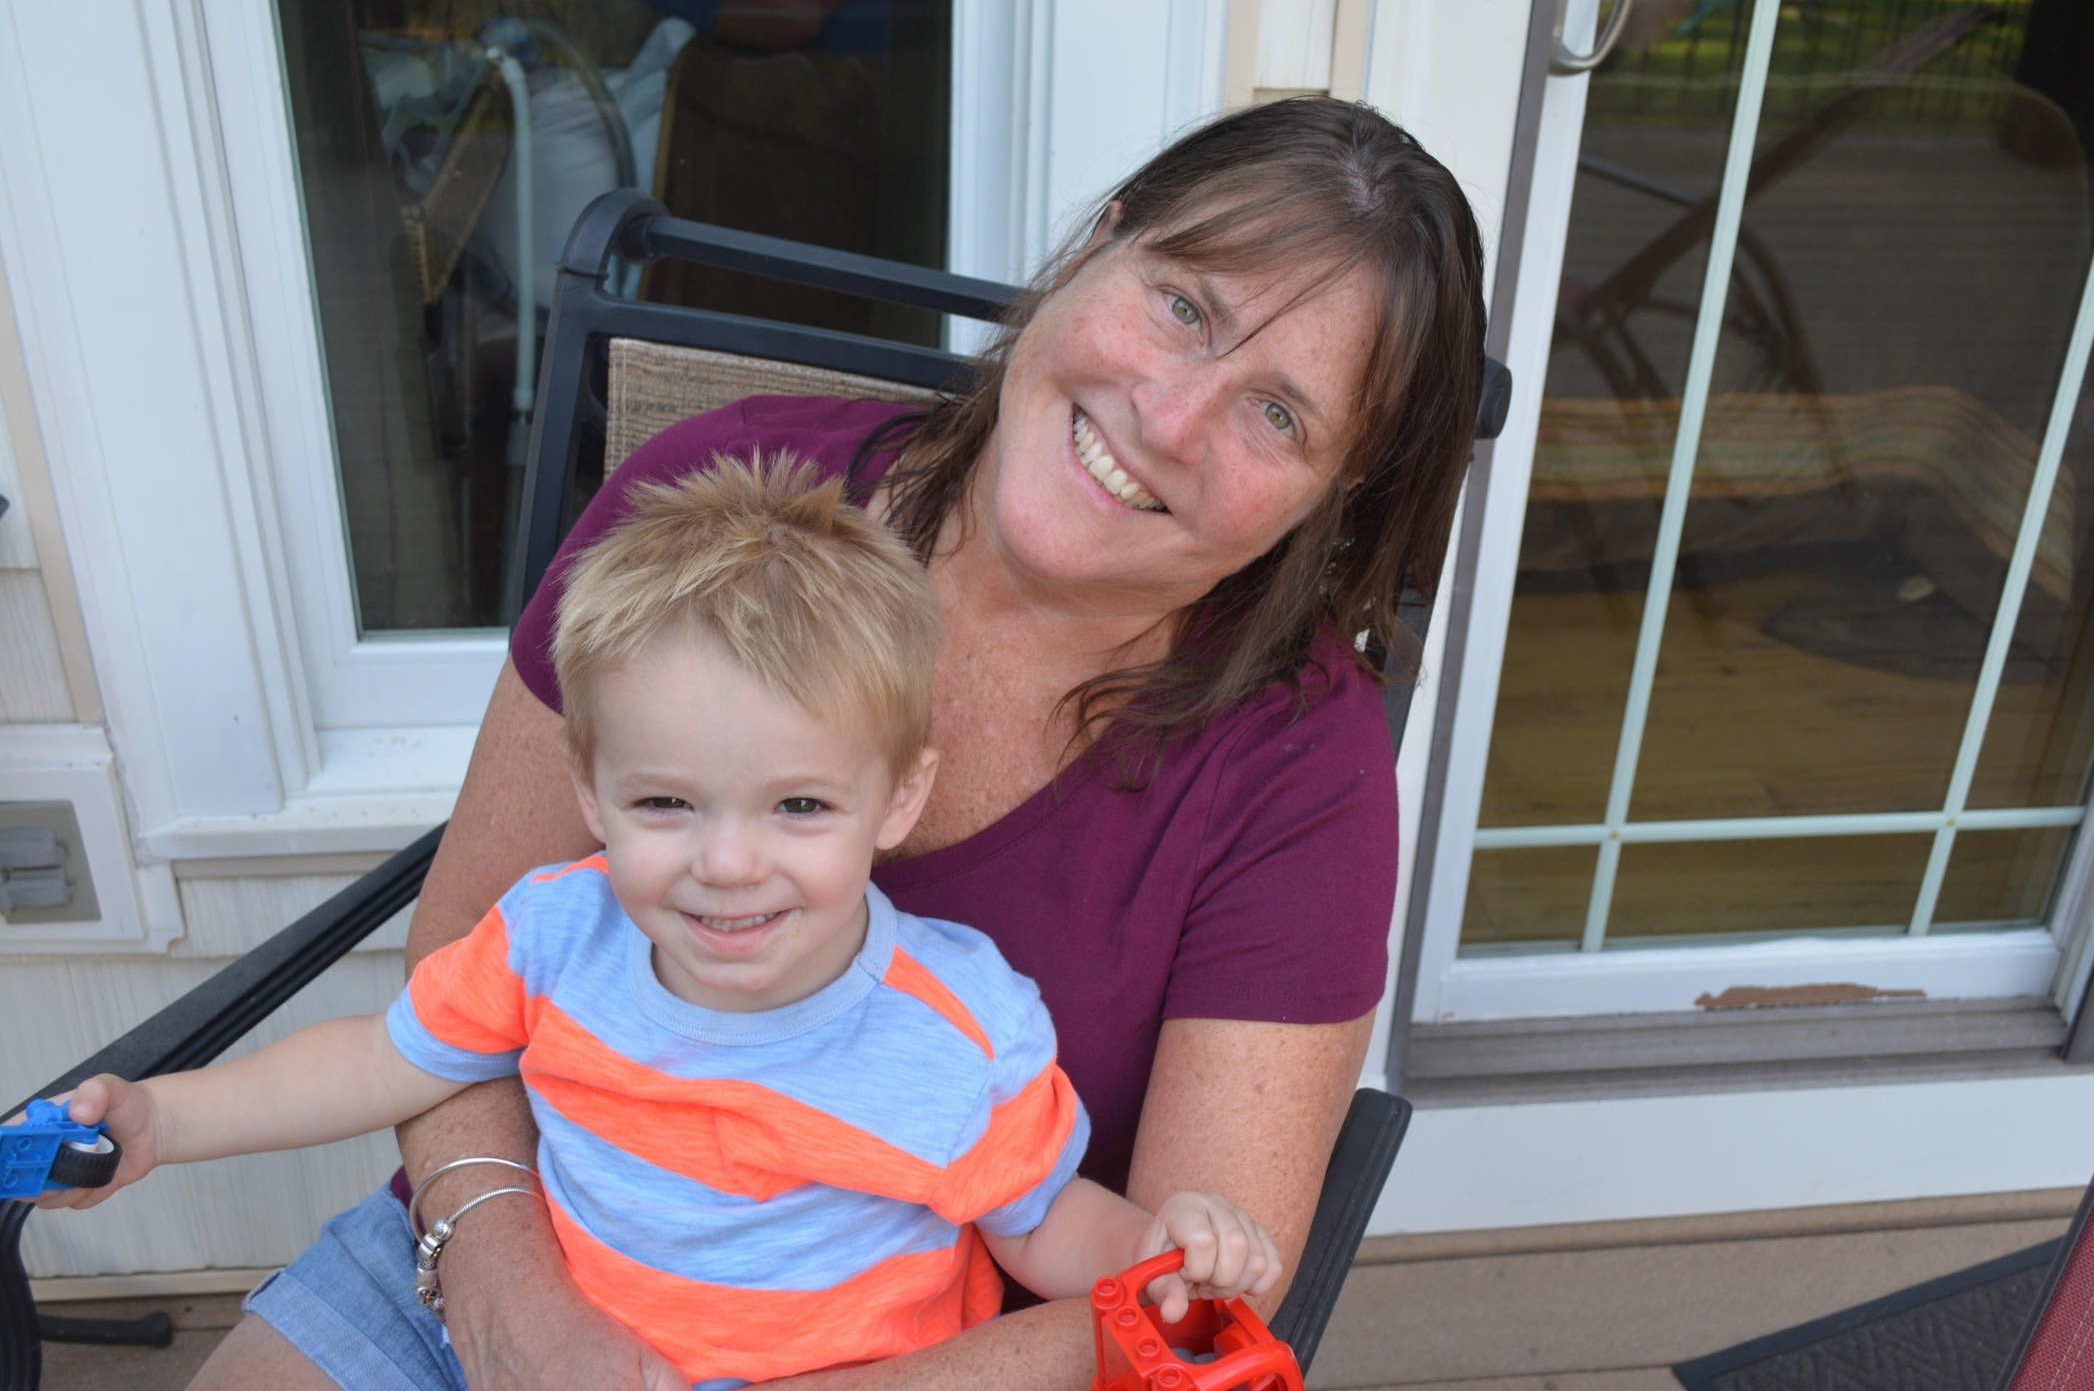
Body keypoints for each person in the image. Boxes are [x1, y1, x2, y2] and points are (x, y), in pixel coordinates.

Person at [172, 93, 1488, 1390]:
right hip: (518, 1229)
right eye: (1185, 306)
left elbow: (1186, 1305)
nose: (1171, 416)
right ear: (1103, 243)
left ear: (1337, 491)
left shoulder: (1296, 768)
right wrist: (506, 1294)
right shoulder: (714, 520)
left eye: (1278, 414)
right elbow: (463, 949)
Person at [32, 457, 1280, 1389]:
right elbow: (378, 1060)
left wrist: (1160, 1252)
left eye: (799, 806)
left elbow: (1043, 1219)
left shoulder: (954, 1032)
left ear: (898, 798)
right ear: (590, 791)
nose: (727, 865)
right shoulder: (556, 935)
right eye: (667, 804)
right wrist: (166, 1120)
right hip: (508, 1322)